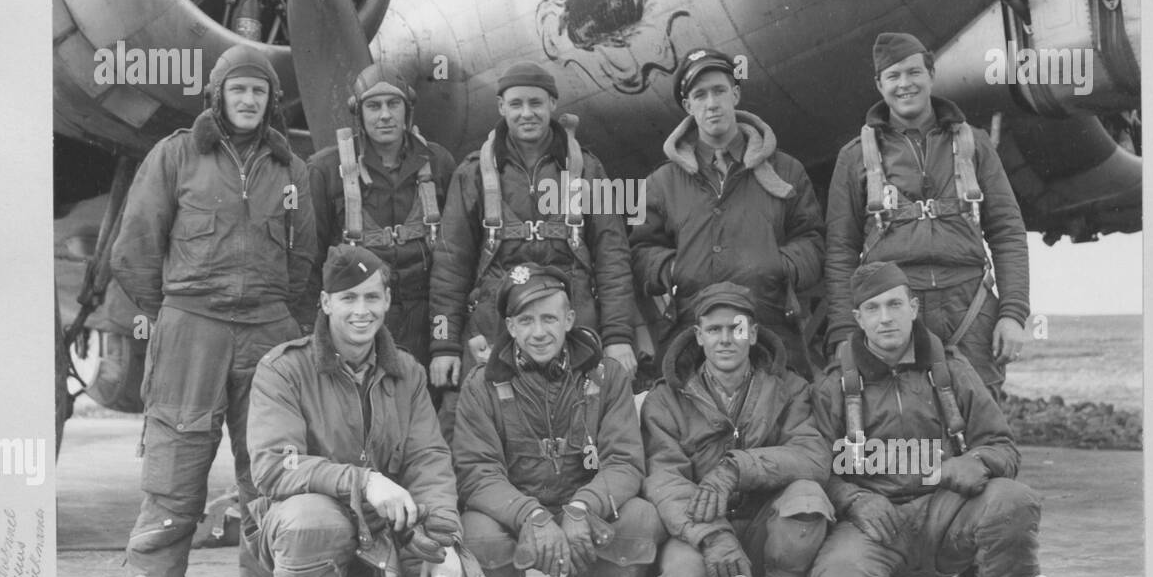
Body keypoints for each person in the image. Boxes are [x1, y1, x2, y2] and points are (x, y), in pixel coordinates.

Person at [111, 43, 317, 577]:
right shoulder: (176, 155)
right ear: (218, 97)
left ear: (270, 101)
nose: (249, 100)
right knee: (174, 482)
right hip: (189, 333)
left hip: (269, 335)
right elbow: (134, 248)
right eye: (238, 90)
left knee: (272, 478)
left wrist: (284, 323)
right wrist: (174, 313)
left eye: (259, 91)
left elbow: (304, 259)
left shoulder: (292, 169)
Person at [246, 245, 487, 577]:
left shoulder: (407, 372)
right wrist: (363, 481)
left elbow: (428, 459)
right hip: (319, 525)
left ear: (388, 301)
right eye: (348, 298)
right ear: (325, 303)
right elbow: (274, 465)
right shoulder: (283, 369)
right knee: (311, 523)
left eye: (372, 297)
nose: (362, 310)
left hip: (386, 532)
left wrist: (442, 541)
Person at [809, 262, 1042, 577]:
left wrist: (975, 463)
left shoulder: (951, 370)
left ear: (913, 308)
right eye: (872, 309)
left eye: (894, 305)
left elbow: (1003, 447)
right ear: (858, 319)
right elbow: (814, 467)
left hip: (946, 513)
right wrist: (854, 499)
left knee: (1013, 501)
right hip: (875, 521)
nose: (885, 318)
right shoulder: (833, 387)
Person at [451, 265, 670, 577]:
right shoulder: (481, 384)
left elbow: (624, 461)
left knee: (642, 523)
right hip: (516, 516)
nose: (539, 332)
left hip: (585, 514)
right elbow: (477, 473)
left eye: (549, 318)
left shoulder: (608, 376)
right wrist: (530, 515)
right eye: (526, 320)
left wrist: (584, 506)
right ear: (511, 326)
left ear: (569, 319)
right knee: (475, 533)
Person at [429, 61, 637, 434]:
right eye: (517, 104)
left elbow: (613, 256)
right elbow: (450, 264)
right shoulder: (472, 173)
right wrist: (443, 343)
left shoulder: (590, 169)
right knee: (469, 428)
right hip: (495, 322)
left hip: (573, 322)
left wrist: (620, 337)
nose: (527, 113)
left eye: (536, 103)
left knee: (583, 428)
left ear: (553, 103)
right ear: (501, 108)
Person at [824, 31, 1029, 398]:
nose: (905, 84)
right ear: (879, 84)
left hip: (971, 306)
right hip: (895, 312)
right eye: (893, 76)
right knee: (902, 427)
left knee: (986, 425)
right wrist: (842, 331)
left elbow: (1008, 232)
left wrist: (1013, 314)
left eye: (914, 72)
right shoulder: (854, 157)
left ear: (931, 74)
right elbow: (840, 251)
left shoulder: (975, 144)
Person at [641, 281, 833, 577]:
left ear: (754, 333)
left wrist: (736, 468)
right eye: (714, 330)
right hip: (701, 533)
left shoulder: (790, 388)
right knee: (687, 575)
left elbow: (812, 456)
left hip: (766, 528)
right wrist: (712, 535)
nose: (725, 339)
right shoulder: (664, 399)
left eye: (737, 328)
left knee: (807, 499)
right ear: (698, 336)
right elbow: (665, 480)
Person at [630, 48, 826, 381]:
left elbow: (812, 240)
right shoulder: (659, 183)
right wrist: (677, 270)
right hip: (690, 336)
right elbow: (639, 251)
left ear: (735, 94)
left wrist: (777, 266)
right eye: (699, 95)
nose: (712, 103)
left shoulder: (787, 170)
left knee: (789, 425)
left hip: (772, 328)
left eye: (720, 90)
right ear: (688, 106)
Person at [307, 64, 455, 370]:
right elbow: (311, 260)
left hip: (424, 320)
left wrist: (447, 341)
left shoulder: (439, 163)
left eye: (393, 104)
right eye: (373, 106)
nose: (385, 115)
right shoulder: (326, 170)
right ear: (358, 113)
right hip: (358, 321)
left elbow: (455, 256)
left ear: (407, 109)